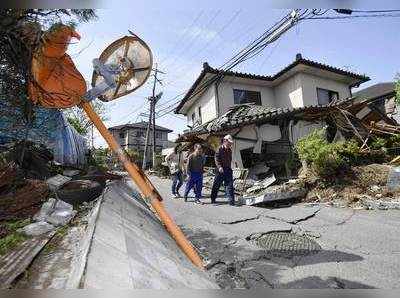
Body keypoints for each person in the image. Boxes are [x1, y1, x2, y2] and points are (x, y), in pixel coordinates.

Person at [211, 134, 235, 206]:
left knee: (230, 185)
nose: (230, 144)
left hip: (228, 169)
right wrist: (219, 167)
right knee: (216, 185)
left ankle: (231, 201)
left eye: (231, 143)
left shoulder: (229, 150)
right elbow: (216, 159)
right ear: (225, 141)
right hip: (220, 170)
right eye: (229, 142)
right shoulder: (219, 149)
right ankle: (213, 198)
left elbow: (229, 160)